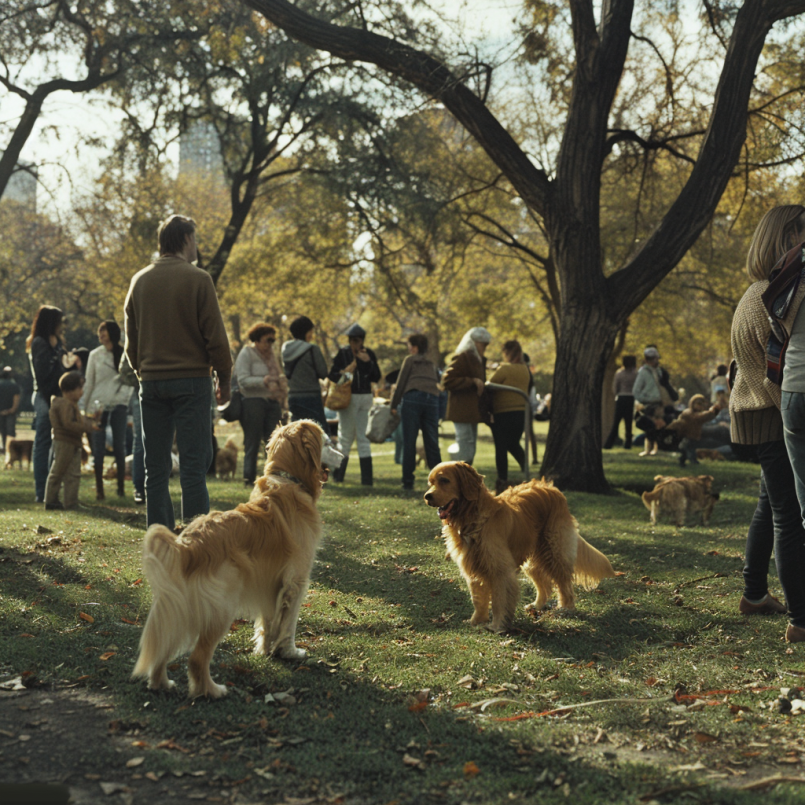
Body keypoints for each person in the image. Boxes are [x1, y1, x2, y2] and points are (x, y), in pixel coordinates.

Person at [124, 214, 232, 529]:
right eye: (194, 239)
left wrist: (143, 372)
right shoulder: (198, 279)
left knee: (155, 469)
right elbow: (216, 338)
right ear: (185, 239)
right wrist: (224, 379)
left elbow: (131, 342)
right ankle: (196, 539)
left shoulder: (140, 280)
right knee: (194, 467)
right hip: (192, 381)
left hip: (152, 383)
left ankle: (159, 539)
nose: (197, 245)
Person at [731, 204, 805, 642]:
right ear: (785, 238)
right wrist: (791, 414)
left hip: (758, 412)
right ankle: (800, 618)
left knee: (769, 504)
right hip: (772, 412)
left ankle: (754, 593)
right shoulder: (772, 296)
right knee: (788, 514)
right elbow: (774, 374)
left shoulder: (754, 293)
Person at [27, 305, 79, 502]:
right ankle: (41, 490)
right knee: (43, 442)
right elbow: (43, 375)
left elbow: (62, 369)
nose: (61, 325)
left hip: (57, 397)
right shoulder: (40, 342)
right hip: (44, 397)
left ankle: (51, 491)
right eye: (59, 321)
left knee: (55, 444)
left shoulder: (57, 342)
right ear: (51, 322)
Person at [81, 321, 131, 500]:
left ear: (113, 333)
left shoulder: (125, 354)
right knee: (98, 448)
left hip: (119, 405)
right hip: (98, 407)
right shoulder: (95, 355)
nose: (101, 334)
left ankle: (121, 488)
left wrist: (123, 399)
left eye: (104, 331)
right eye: (99, 331)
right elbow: (89, 382)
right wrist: (84, 408)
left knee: (119, 446)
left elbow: (129, 381)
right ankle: (99, 490)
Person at [235, 322, 288, 486]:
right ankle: (249, 478)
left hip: (273, 402)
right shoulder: (247, 353)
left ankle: (273, 478)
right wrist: (263, 380)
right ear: (257, 340)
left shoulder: (272, 356)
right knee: (253, 441)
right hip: (253, 402)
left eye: (273, 340)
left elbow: (279, 375)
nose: (270, 344)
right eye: (268, 340)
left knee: (274, 442)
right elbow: (242, 380)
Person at [328, 323, 381, 485]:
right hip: (347, 397)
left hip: (365, 397)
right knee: (345, 437)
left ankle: (367, 480)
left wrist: (368, 362)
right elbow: (333, 375)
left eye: (357, 340)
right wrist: (349, 370)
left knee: (363, 438)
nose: (354, 343)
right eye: (352, 340)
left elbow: (376, 376)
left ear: (362, 340)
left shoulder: (369, 354)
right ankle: (338, 476)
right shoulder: (343, 354)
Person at [390, 333, 442, 490]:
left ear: (414, 347)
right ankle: (440, 482)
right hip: (432, 400)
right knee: (432, 442)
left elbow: (401, 383)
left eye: (409, 345)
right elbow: (437, 381)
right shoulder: (431, 363)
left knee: (409, 442)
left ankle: (408, 482)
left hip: (413, 398)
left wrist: (393, 404)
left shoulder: (410, 360)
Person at [43, 371, 99, 509]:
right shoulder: (64, 404)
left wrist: (88, 424)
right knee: (58, 471)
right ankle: (50, 500)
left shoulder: (73, 404)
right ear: (69, 390)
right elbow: (68, 423)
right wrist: (85, 427)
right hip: (64, 441)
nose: (82, 392)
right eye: (79, 389)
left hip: (74, 442)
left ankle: (71, 502)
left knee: (73, 474)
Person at [441, 327, 492, 465]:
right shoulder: (463, 357)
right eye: (482, 344)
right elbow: (447, 380)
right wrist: (471, 381)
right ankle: (458, 474)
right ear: (473, 343)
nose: (484, 348)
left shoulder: (479, 360)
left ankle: (465, 473)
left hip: (472, 411)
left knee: (470, 446)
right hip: (461, 410)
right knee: (464, 444)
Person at [488, 340, 530, 494]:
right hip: (520, 412)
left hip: (503, 412)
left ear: (507, 353)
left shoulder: (505, 369)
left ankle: (502, 480)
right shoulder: (525, 370)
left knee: (501, 446)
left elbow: (490, 384)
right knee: (513, 444)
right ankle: (526, 470)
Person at [281, 315, 329, 430]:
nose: (312, 335)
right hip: (311, 396)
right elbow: (323, 372)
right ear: (306, 332)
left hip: (293, 396)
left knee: (298, 432)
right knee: (318, 431)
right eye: (311, 331)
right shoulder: (312, 349)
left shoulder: (285, 348)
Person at [667, 394, 721, 467]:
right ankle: (686, 460)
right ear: (692, 403)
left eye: (702, 404)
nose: (700, 406)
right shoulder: (688, 413)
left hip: (693, 435)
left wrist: (714, 412)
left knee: (691, 448)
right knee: (686, 448)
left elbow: (705, 417)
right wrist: (711, 412)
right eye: (699, 404)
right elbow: (699, 417)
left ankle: (690, 460)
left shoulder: (697, 413)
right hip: (686, 435)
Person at [633, 346, 678, 422]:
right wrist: (648, 400)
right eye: (651, 359)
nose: (654, 361)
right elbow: (636, 391)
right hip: (651, 407)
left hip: (663, 405)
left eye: (655, 358)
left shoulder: (660, 371)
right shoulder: (643, 372)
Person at [603, 355, 637, 450]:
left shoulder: (619, 373)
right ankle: (628, 443)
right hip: (631, 398)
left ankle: (609, 443)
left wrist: (617, 394)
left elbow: (615, 387)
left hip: (621, 398)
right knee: (628, 422)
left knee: (616, 421)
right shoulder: (636, 374)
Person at [0, 366, 21, 453]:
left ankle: (3, 447)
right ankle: (11, 449)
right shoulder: (14, 385)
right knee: (10, 431)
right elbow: (16, 399)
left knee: (2, 431)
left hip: (0, 412)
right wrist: (12, 410)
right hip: (10, 412)